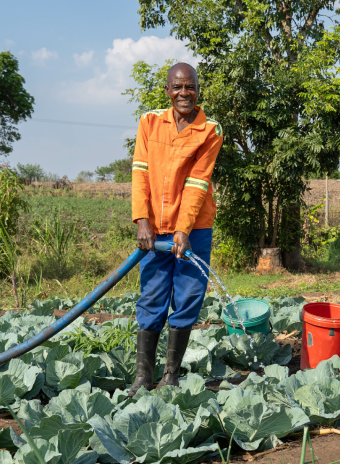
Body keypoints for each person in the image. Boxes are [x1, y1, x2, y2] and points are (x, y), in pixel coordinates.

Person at [128, 62, 223, 396]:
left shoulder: (210, 130)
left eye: (190, 87)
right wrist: (142, 219)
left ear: (198, 89)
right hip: (153, 229)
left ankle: (170, 375)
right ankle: (143, 378)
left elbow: (198, 182)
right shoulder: (149, 122)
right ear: (167, 90)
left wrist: (183, 229)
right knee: (152, 296)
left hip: (194, 228)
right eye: (177, 87)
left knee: (188, 297)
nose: (184, 93)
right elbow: (140, 172)